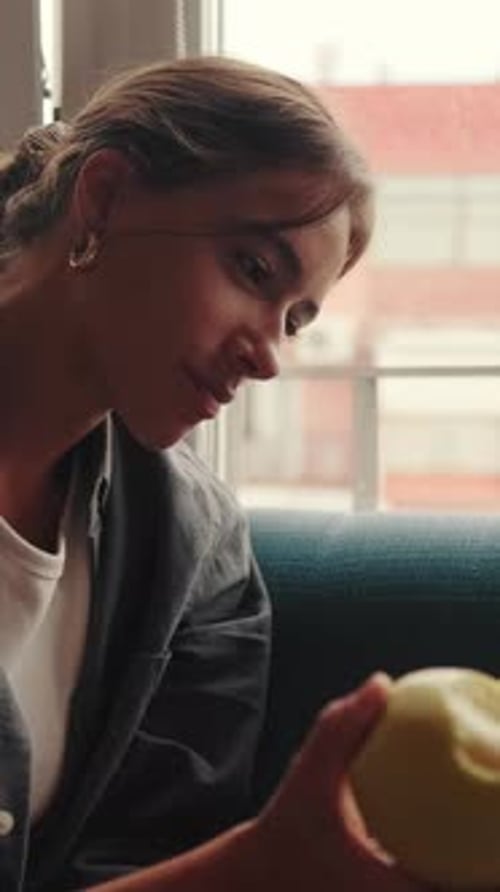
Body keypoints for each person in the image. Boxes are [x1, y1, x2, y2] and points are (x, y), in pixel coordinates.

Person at [0, 55, 429, 892]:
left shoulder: (198, 558)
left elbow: (138, 864)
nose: (267, 355)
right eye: (254, 271)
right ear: (105, 199)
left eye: (295, 320)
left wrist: (266, 863)